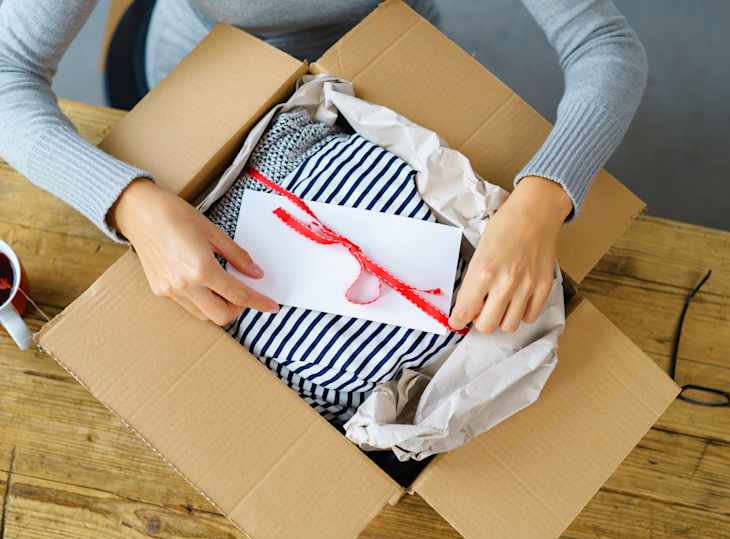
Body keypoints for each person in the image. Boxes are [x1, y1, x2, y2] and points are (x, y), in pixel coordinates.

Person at [0, 0, 647, 334]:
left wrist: (543, 199)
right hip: (198, 90)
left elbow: (605, 44)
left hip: (392, 76)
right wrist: (129, 205)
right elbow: (6, 72)